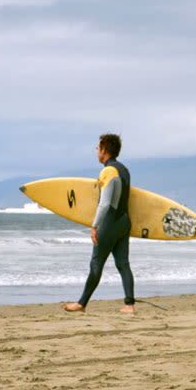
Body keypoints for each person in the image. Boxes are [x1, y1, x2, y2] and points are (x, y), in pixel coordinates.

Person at [62, 133, 136, 314]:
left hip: (110, 222)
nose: (97, 151)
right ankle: (129, 305)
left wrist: (94, 226)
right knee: (123, 264)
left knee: (96, 264)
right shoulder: (124, 169)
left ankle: (81, 303)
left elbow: (105, 202)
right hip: (124, 221)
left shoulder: (108, 171)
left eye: (98, 148)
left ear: (104, 150)